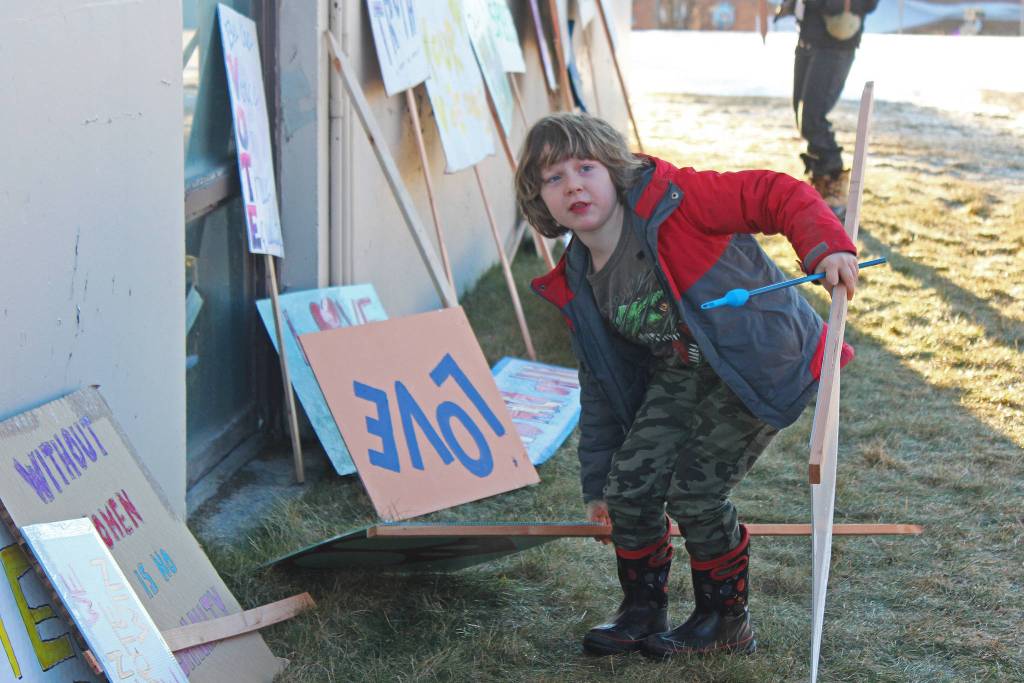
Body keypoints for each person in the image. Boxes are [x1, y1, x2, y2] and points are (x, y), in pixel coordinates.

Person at [514, 113, 858, 658]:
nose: (573, 184)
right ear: (539, 199)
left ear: (615, 170)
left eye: (585, 167)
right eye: (553, 178)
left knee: (695, 491)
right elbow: (600, 387)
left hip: (760, 353)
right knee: (627, 486)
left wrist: (825, 246)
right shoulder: (578, 280)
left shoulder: (675, 200)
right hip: (686, 364)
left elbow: (774, 191)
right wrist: (595, 485)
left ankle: (725, 622)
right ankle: (642, 613)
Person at [789, 0, 878, 220]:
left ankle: (833, 191)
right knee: (803, 117)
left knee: (812, 117)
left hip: (834, 42)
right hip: (809, 36)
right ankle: (820, 185)